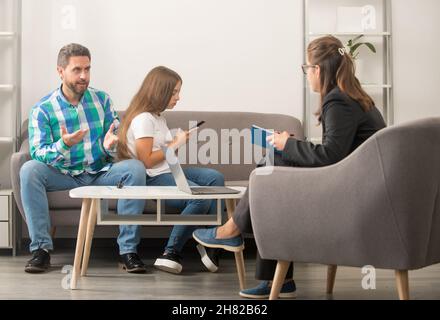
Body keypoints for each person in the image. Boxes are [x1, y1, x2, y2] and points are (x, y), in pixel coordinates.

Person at [193, 35, 387, 299]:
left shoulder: (337, 100)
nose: (307, 75)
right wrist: (290, 145)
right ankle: (274, 275)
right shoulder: (350, 96)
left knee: (272, 171)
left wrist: (288, 145)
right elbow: (338, 152)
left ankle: (233, 230)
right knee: (274, 165)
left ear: (318, 70)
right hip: (359, 185)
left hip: (353, 195)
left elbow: (330, 155)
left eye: (307, 68)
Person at [21, 43, 148, 274]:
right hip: (64, 174)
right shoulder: (43, 109)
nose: (84, 76)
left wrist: (110, 145)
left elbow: (114, 135)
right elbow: (38, 152)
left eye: (87, 69)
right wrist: (64, 144)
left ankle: (128, 251)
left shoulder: (102, 100)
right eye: (77, 70)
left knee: (135, 168)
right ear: (60, 71)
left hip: (100, 172)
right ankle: (41, 250)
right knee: (29, 170)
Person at [117, 66, 224, 274]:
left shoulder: (158, 117)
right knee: (200, 198)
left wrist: (175, 143)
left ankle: (209, 241)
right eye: (174, 92)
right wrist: (175, 143)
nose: (178, 97)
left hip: (167, 171)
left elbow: (163, 155)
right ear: (160, 92)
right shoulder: (143, 119)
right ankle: (170, 252)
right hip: (153, 177)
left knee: (215, 178)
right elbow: (146, 161)